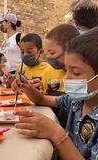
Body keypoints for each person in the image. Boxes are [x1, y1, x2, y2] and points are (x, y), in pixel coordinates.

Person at [12, 27, 98, 159]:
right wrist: (27, 87)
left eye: (75, 72)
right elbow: (42, 100)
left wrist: (57, 134)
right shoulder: (76, 101)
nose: (66, 78)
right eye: (67, 69)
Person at [43, 24, 80, 96]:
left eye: (52, 53)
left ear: (69, 49)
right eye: (46, 53)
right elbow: (44, 99)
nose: (48, 57)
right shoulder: (48, 72)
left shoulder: (84, 75)